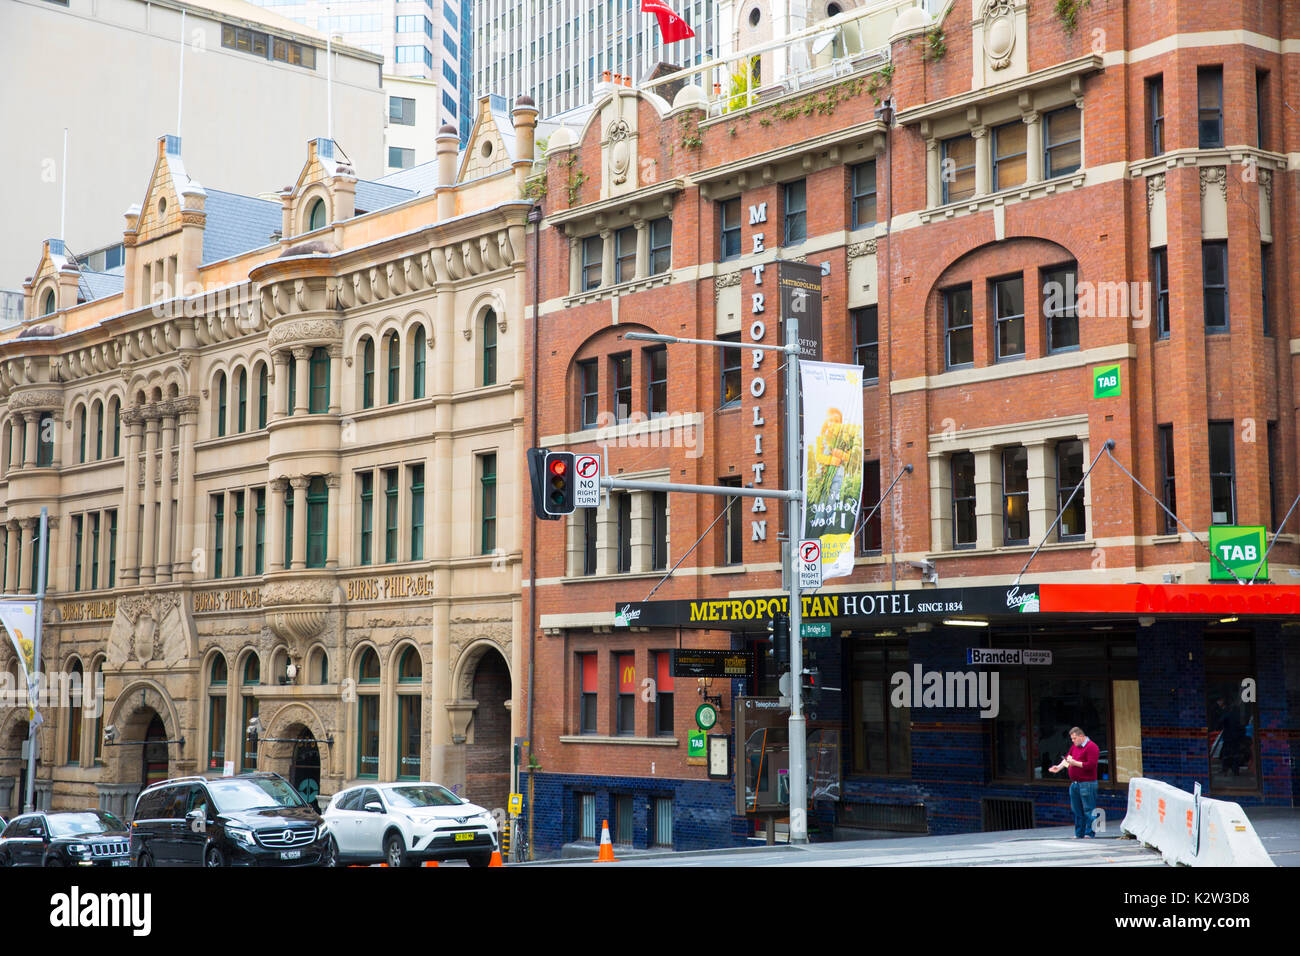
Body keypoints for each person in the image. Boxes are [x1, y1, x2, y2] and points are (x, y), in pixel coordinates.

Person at [1049, 726, 1100, 838]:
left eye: (1074, 738)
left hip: (1087, 783)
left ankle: (1089, 833)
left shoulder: (1092, 747)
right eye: (1072, 738)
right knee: (1077, 810)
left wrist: (1075, 763)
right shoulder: (1074, 746)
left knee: (1088, 809)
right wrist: (1058, 767)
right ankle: (1079, 833)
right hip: (1075, 783)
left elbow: (1090, 766)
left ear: (1081, 736)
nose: (1073, 741)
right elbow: (1068, 759)